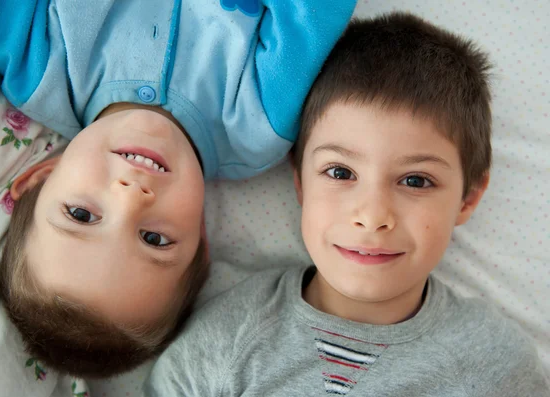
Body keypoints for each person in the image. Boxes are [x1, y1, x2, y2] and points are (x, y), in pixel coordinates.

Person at [144, 12, 550, 396]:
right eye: (340, 173)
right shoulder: (224, 340)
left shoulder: (493, 362)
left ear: (468, 198)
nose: (372, 217)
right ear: (300, 181)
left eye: (415, 180)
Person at [0, 0, 357, 378]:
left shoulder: (36, 69)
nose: (131, 196)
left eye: (81, 215)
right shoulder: (259, 124)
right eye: (154, 238)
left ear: (40, 179)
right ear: (199, 235)